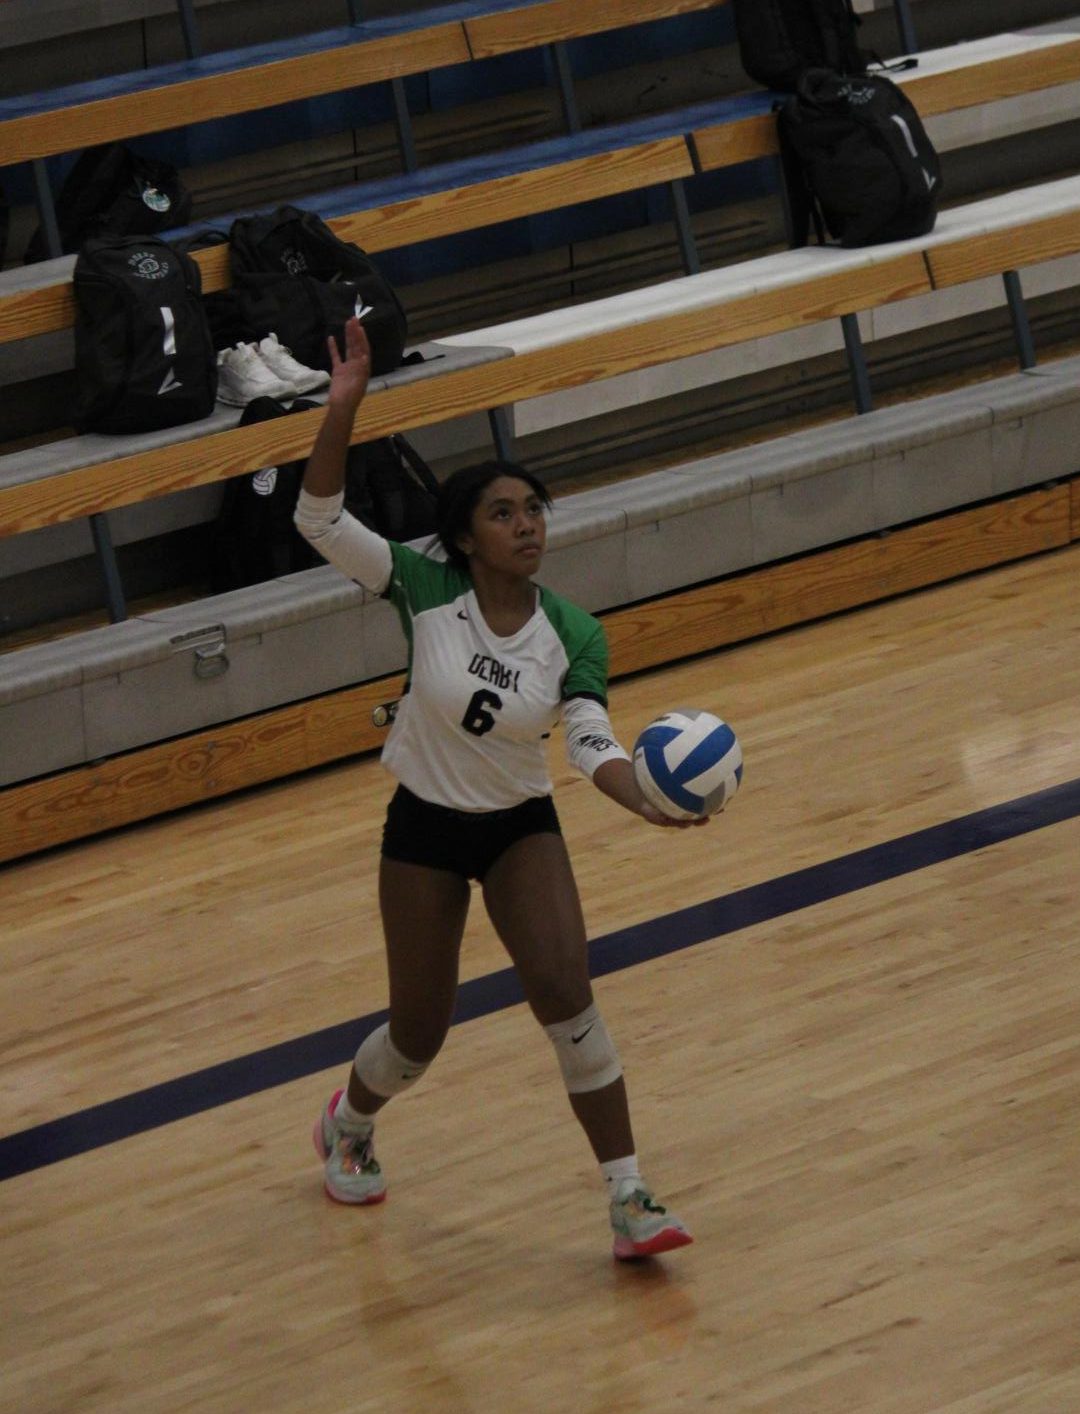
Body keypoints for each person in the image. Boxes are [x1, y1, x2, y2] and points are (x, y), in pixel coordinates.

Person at [295, 317, 702, 1260]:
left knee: (567, 991)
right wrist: (342, 412)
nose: (527, 526)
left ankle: (631, 1197)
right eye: (505, 514)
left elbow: (592, 740)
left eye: (535, 511)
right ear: (466, 540)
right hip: (424, 829)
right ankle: (349, 1120)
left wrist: (643, 795)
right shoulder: (421, 585)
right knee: (417, 1034)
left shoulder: (575, 632)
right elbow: (316, 520)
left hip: (519, 825)